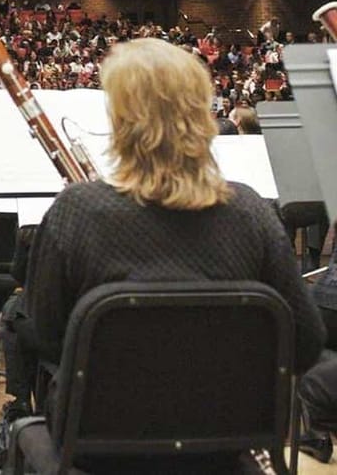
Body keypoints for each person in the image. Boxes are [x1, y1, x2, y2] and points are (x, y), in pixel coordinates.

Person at [20, 38, 324, 471]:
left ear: (122, 121)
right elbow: (306, 345)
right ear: (203, 116)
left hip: (99, 450)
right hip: (222, 451)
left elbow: (46, 334)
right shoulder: (252, 212)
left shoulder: (77, 210)